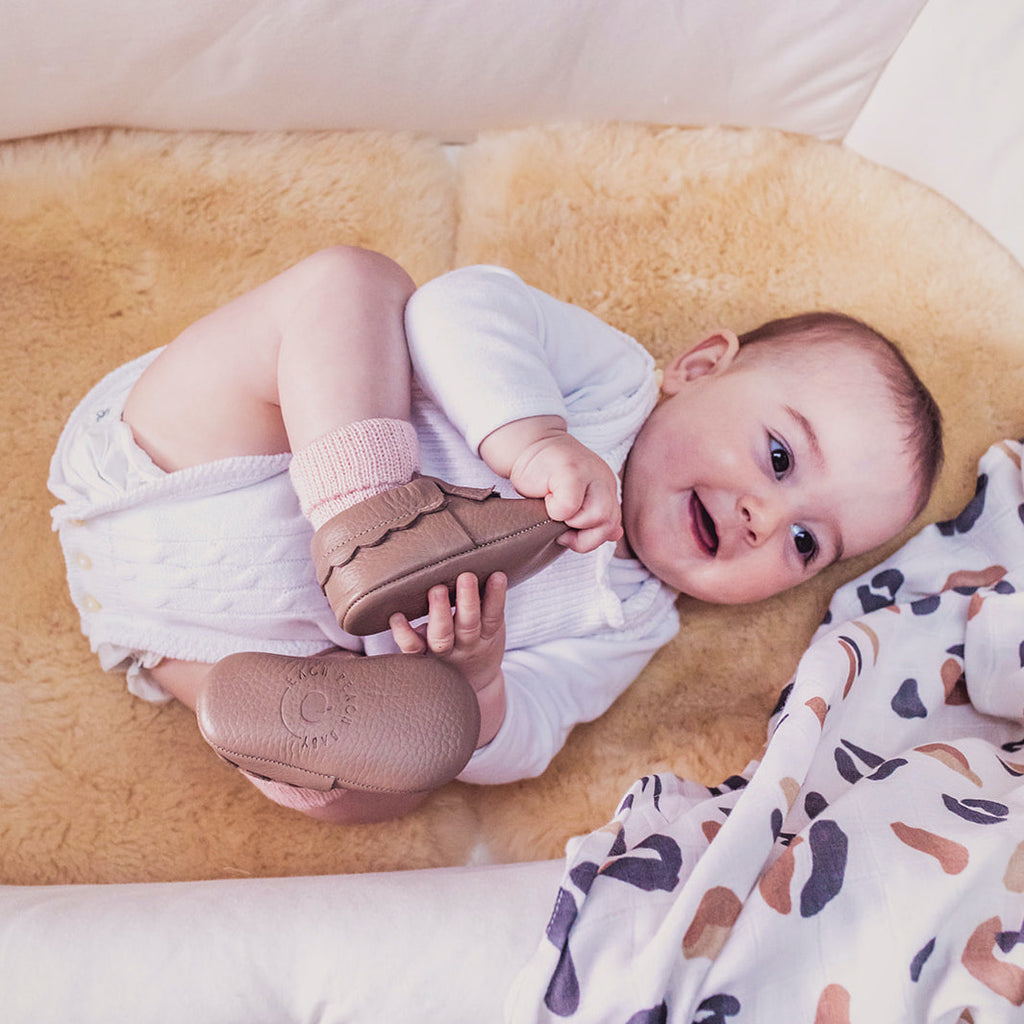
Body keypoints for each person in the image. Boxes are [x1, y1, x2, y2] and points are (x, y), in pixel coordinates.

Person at [48, 245, 943, 824]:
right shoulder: (608, 386)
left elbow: (538, 730)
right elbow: (458, 307)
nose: (766, 518)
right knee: (351, 287)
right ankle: (368, 513)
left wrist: (476, 680)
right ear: (700, 368)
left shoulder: (630, 618)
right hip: (184, 460)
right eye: (781, 457)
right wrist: (531, 438)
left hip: (214, 646)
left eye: (805, 547)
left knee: (414, 760)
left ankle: (284, 748)